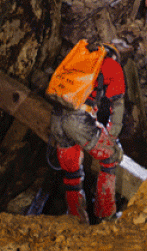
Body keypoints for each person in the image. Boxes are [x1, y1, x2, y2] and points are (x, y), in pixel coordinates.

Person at [49, 44, 126, 224]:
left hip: (56, 120)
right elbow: (118, 106)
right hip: (78, 122)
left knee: (72, 174)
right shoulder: (111, 65)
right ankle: (105, 215)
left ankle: (76, 220)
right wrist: (111, 141)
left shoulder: (76, 59)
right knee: (111, 158)